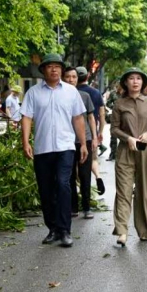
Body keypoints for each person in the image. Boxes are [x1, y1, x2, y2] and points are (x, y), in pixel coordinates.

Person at [20, 54, 88, 248]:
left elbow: (78, 118)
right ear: (43, 70)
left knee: (63, 183)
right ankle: (53, 229)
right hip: (42, 148)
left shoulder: (71, 92)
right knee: (46, 189)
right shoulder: (33, 93)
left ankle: (65, 230)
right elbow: (26, 118)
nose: (54, 70)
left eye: (57, 67)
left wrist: (82, 143)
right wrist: (26, 143)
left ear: (62, 70)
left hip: (65, 146)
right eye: (50, 66)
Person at [111, 67, 147, 246]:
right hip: (125, 151)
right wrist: (127, 138)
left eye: (138, 79)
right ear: (125, 83)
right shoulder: (119, 104)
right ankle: (122, 231)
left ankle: (145, 231)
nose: (135, 81)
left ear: (143, 83)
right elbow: (114, 129)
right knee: (123, 190)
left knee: (146, 190)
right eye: (131, 78)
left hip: (145, 150)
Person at [63, 67, 99, 219]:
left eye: (74, 77)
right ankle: (73, 207)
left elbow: (91, 117)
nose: (71, 79)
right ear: (63, 78)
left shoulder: (84, 96)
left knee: (85, 175)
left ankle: (87, 207)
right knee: (69, 175)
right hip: (66, 141)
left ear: (78, 79)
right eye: (68, 77)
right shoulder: (59, 95)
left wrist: (95, 137)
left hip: (85, 139)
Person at [76, 67, 106, 195]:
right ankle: (98, 176)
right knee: (92, 159)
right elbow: (102, 114)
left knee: (78, 163)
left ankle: (80, 190)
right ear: (87, 76)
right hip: (90, 133)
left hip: (76, 132)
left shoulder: (72, 92)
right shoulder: (95, 92)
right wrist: (100, 132)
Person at [105, 80, 121, 162]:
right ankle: (113, 154)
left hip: (124, 118)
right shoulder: (113, 93)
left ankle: (122, 155)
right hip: (114, 117)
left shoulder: (126, 93)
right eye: (118, 85)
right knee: (113, 136)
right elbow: (108, 103)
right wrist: (114, 106)